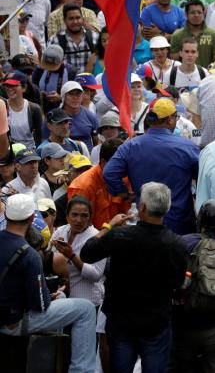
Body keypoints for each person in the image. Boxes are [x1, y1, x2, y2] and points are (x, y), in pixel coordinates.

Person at [81, 182, 188, 373]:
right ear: (166, 209)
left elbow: (87, 253)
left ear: (143, 207)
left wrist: (108, 226)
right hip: (155, 321)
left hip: (122, 319)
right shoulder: (176, 244)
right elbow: (178, 283)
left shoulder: (121, 236)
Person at [0, 193, 97, 373]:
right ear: (31, 218)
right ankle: (81, 370)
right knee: (86, 309)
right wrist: (50, 294)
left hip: (6, 313)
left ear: (6, 216)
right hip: (13, 323)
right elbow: (40, 305)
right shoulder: (29, 254)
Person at [103, 99, 200, 235]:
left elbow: (109, 173)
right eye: (175, 117)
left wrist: (124, 194)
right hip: (179, 223)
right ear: (170, 120)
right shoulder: (187, 147)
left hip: (144, 222)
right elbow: (201, 178)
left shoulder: (131, 146)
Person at [170, 0, 215, 67]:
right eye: (192, 12)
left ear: (204, 13)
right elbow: (174, 61)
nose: (196, 15)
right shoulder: (177, 35)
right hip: (184, 75)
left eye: (199, 12)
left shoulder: (214, 35)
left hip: (209, 75)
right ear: (186, 14)